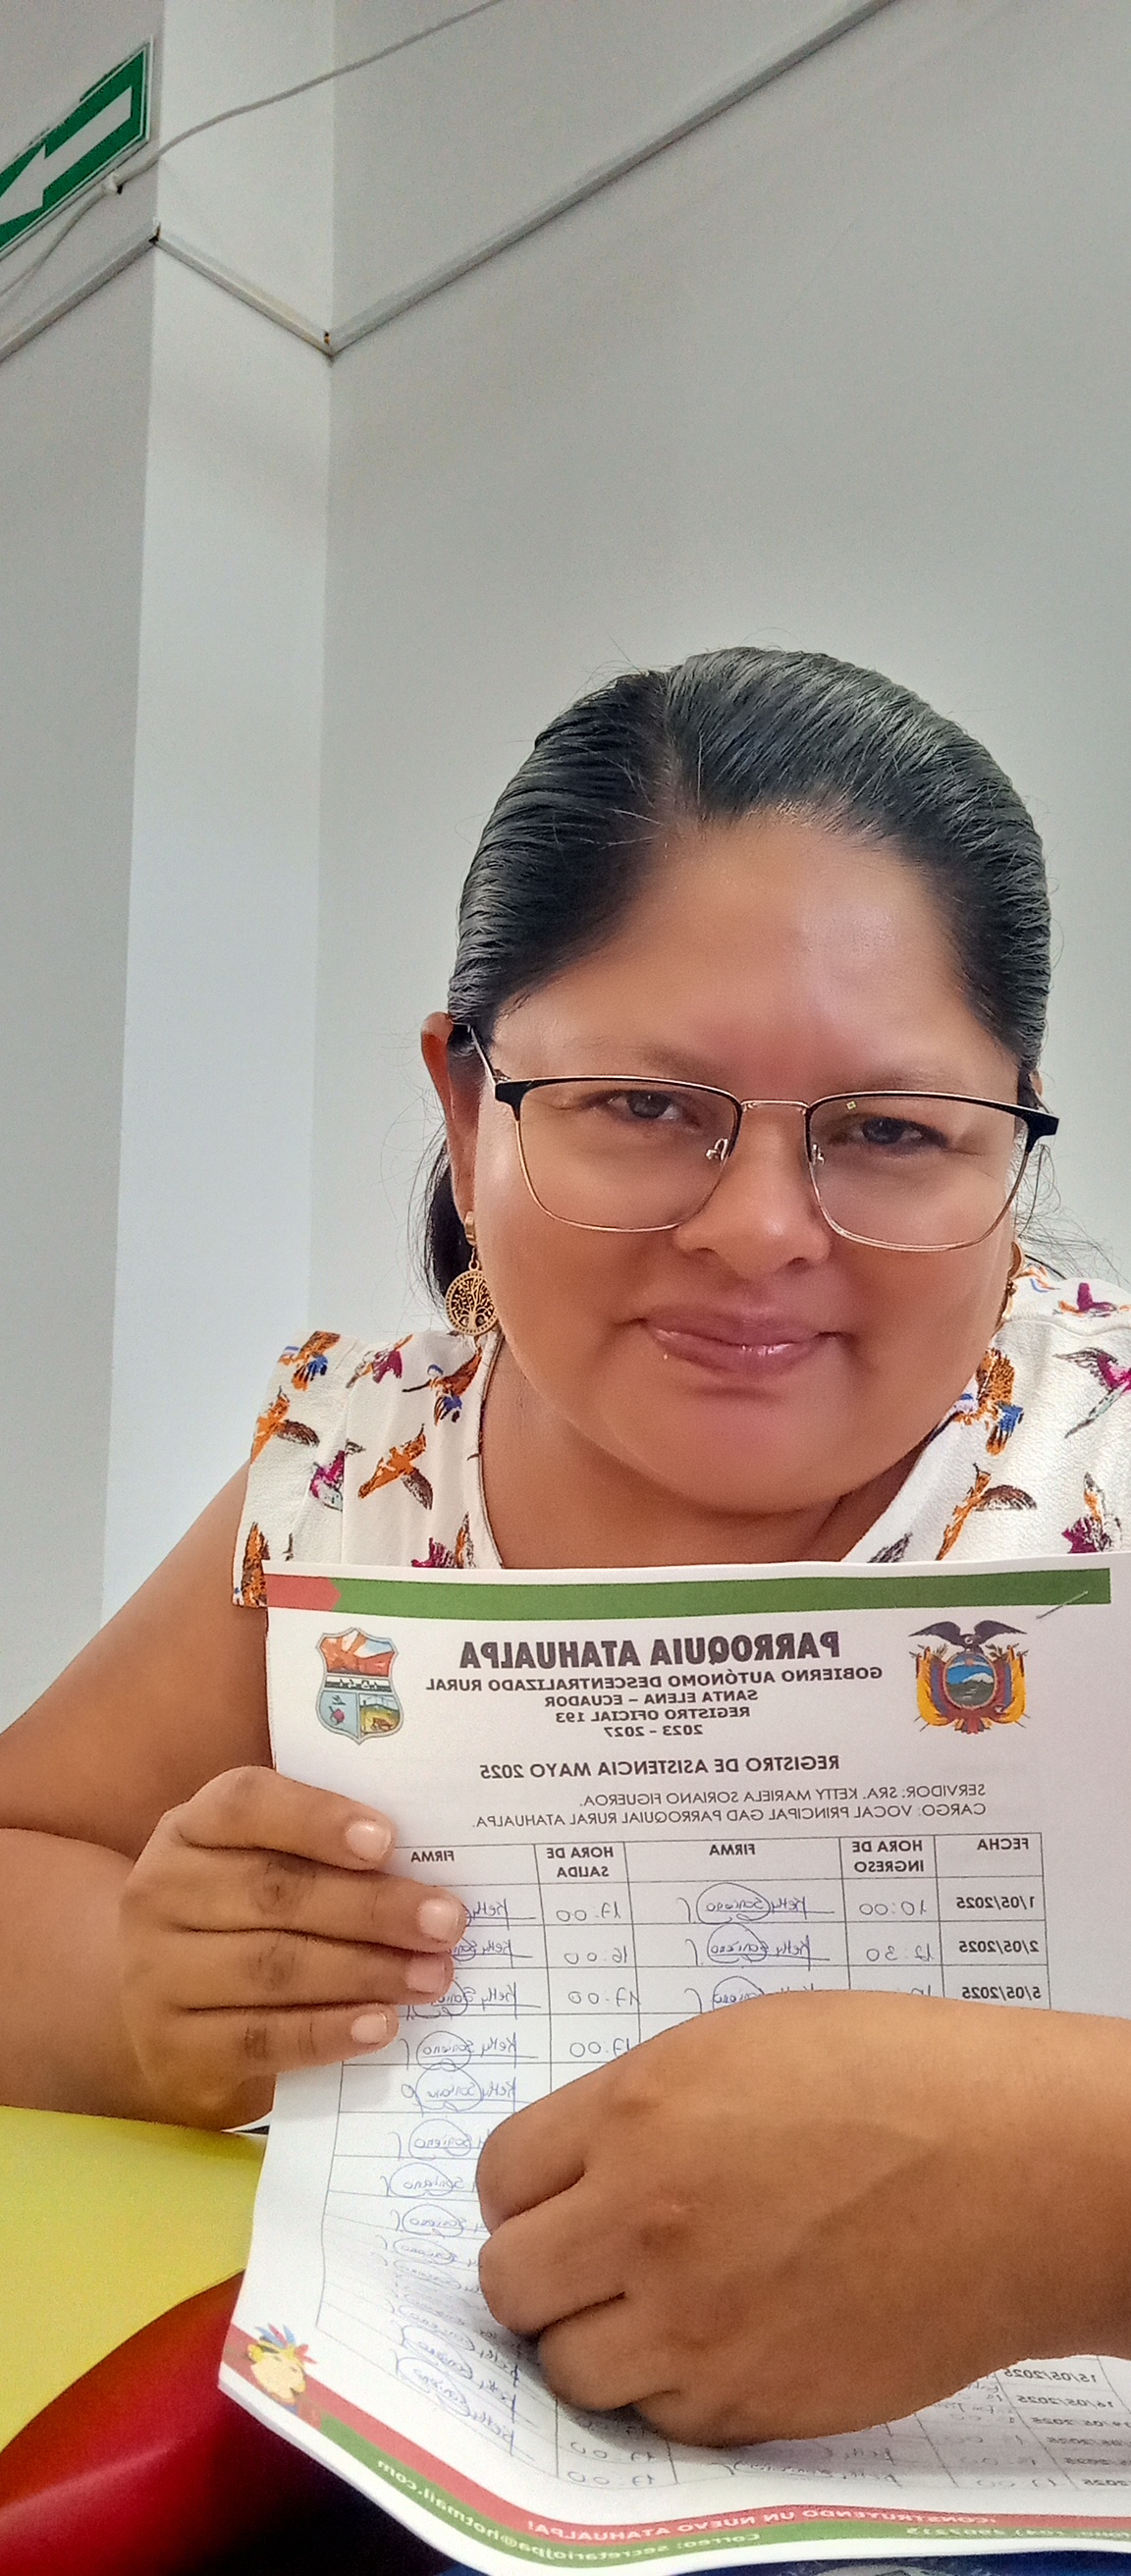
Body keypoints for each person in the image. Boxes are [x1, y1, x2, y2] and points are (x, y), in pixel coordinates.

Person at [4, 647, 1131, 2478]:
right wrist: (139, 1990)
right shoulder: (357, 1470)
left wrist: (1078, 2191)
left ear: (1007, 1140)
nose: (759, 1231)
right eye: (644, 1106)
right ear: (470, 1109)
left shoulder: (1105, 1461)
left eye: (891, 1133)